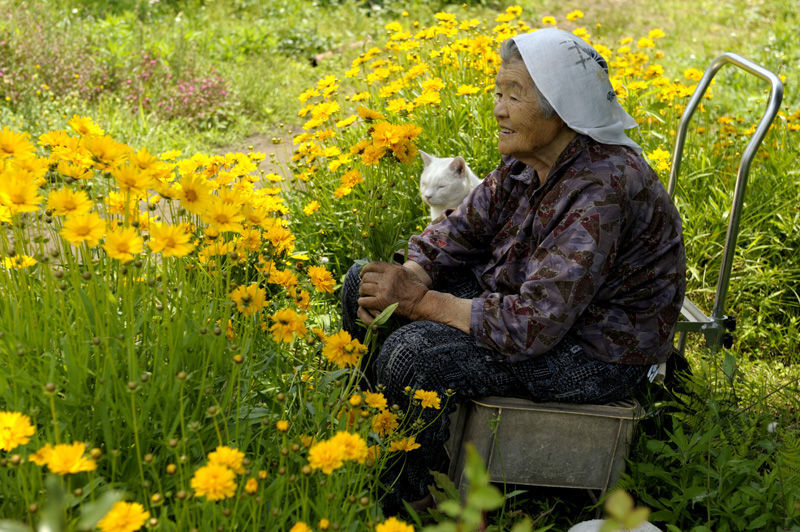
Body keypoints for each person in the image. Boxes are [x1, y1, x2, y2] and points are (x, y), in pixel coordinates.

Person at [341, 28, 686, 514]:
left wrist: (421, 303)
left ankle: (414, 500)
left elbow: (533, 324)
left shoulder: (602, 189)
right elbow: (461, 228)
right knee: (366, 282)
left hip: (595, 351)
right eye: (498, 93)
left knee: (412, 355)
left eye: (514, 96)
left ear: (561, 108)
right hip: (531, 307)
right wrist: (416, 272)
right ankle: (373, 433)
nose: (498, 109)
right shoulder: (528, 160)